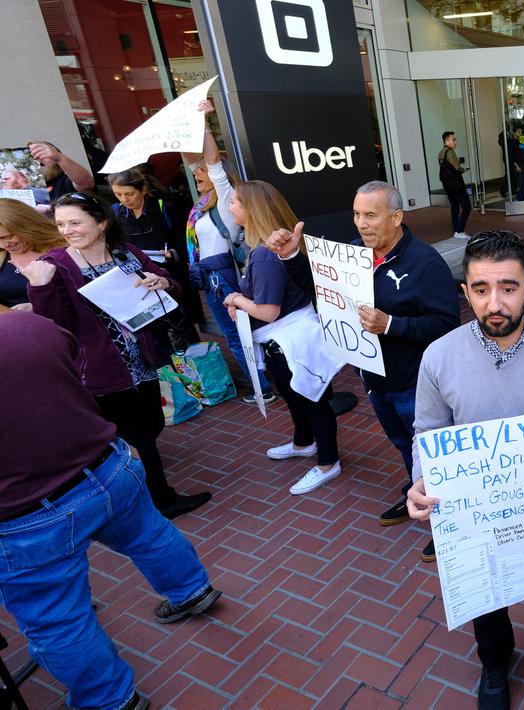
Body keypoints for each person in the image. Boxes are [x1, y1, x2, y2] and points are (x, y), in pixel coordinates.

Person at [407, 231, 524, 710]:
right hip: (475, 508)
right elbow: (427, 430)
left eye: (509, 288)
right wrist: (421, 478)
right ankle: (495, 662)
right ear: (466, 291)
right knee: (483, 588)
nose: (495, 303)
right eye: (480, 289)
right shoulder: (439, 357)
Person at [0, 311, 222, 710]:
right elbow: (70, 368)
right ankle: (192, 590)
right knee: (150, 535)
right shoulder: (30, 326)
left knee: (58, 618)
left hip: (24, 514)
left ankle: (109, 700)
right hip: (104, 467)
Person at [266, 181, 459, 542]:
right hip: (375, 381)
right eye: (357, 214)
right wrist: (292, 256)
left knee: (433, 454)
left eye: (371, 215)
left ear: (397, 216)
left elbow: (447, 324)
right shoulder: (354, 254)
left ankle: (449, 525)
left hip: (415, 384)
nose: (361, 223)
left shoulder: (424, 262)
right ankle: (419, 496)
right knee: (405, 446)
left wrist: (391, 324)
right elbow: (321, 288)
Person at [23, 192, 212, 519]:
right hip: (103, 369)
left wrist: (162, 282)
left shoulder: (126, 253)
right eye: (61, 224)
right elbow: (57, 325)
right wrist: (39, 288)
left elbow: (174, 290)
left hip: (144, 359)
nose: (68, 230)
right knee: (139, 434)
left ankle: (133, 486)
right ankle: (161, 501)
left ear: (102, 223)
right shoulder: (56, 266)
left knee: (151, 424)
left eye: (75, 222)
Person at [222, 180, 343, 496]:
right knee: (296, 396)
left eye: (234, 201)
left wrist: (236, 299)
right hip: (288, 342)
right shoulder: (264, 248)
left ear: (252, 209)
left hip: (291, 343)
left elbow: (269, 311)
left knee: (312, 401)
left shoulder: (263, 254)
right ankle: (304, 443)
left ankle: (328, 463)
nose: (230, 206)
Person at [182, 99, 274, 404]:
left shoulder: (224, 198)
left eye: (201, 172)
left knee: (239, 333)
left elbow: (213, 164)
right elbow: (192, 159)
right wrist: (185, 129)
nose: (197, 174)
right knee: (239, 331)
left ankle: (262, 386)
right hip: (210, 278)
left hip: (224, 276)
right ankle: (263, 380)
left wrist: (205, 125)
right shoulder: (202, 204)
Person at [108, 167, 202, 343]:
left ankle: (197, 364)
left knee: (182, 327)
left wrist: (173, 252)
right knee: (154, 332)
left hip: (170, 275)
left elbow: (187, 241)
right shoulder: (115, 213)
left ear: (143, 189)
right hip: (138, 279)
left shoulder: (164, 207)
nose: (124, 199)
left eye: (129, 194)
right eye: (118, 194)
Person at [0, 197, 65, 309]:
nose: (3, 245)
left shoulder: (64, 249)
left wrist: (36, 306)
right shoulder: (2, 253)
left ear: (27, 226)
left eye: (7, 237)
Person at [27, 140, 95, 198]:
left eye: (40, 153)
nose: (36, 159)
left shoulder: (66, 180)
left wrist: (59, 157)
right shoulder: (31, 190)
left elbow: (86, 183)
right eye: (31, 156)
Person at [438, 131, 471, 239]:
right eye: (453, 139)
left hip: (447, 185)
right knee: (467, 207)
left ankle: (456, 231)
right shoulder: (450, 152)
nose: (455, 142)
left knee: (454, 207)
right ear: (447, 141)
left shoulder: (441, 153)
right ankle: (459, 230)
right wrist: (463, 169)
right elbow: (456, 167)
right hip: (456, 184)